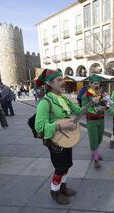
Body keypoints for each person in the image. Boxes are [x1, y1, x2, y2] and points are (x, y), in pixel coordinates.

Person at [34, 68, 81, 205]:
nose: (63, 82)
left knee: (67, 164)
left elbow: (78, 111)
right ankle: (54, 191)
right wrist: (61, 126)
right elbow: (40, 127)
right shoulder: (45, 102)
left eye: (63, 79)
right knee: (60, 167)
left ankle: (63, 187)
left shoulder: (63, 98)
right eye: (59, 79)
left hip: (67, 138)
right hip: (55, 141)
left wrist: (94, 104)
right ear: (50, 83)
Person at [82, 74, 114, 168]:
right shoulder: (86, 95)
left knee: (99, 138)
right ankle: (96, 157)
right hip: (91, 121)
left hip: (101, 120)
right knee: (94, 139)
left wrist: (110, 106)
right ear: (90, 84)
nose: (97, 85)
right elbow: (84, 108)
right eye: (95, 83)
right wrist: (97, 109)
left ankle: (94, 152)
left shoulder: (101, 95)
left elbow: (109, 104)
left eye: (98, 83)